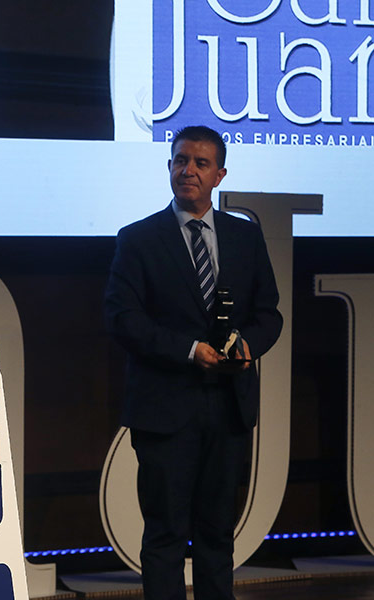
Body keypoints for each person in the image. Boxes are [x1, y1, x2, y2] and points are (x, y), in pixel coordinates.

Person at [104, 126, 282, 600]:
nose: (189, 171)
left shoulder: (246, 237)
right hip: (164, 409)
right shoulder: (138, 239)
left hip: (229, 407)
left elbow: (269, 314)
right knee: (164, 535)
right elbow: (122, 319)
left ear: (219, 175)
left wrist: (247, 345)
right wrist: (189, 350)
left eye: (201, 163)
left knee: (217, 535)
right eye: (181, 160)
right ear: (169, 167)